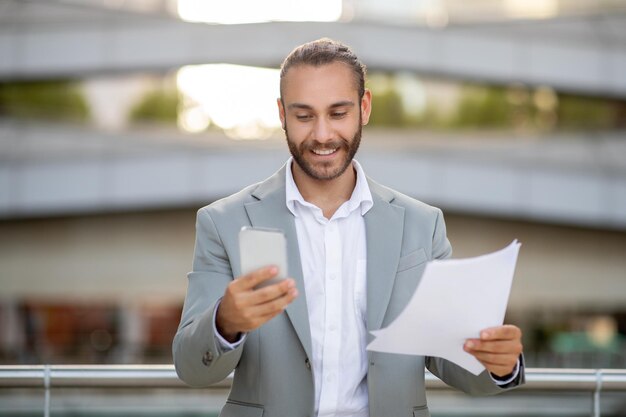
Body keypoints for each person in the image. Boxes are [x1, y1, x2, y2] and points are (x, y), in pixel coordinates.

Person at [173, 38, 524, 417]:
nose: (322, 135)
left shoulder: (422, 225)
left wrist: (497, 364)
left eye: (338, 113)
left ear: (365, 107)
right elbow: (192, 368)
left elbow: (450, 361)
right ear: (282, 114)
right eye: (304, 116)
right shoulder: (224, 222)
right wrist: (225, 322)